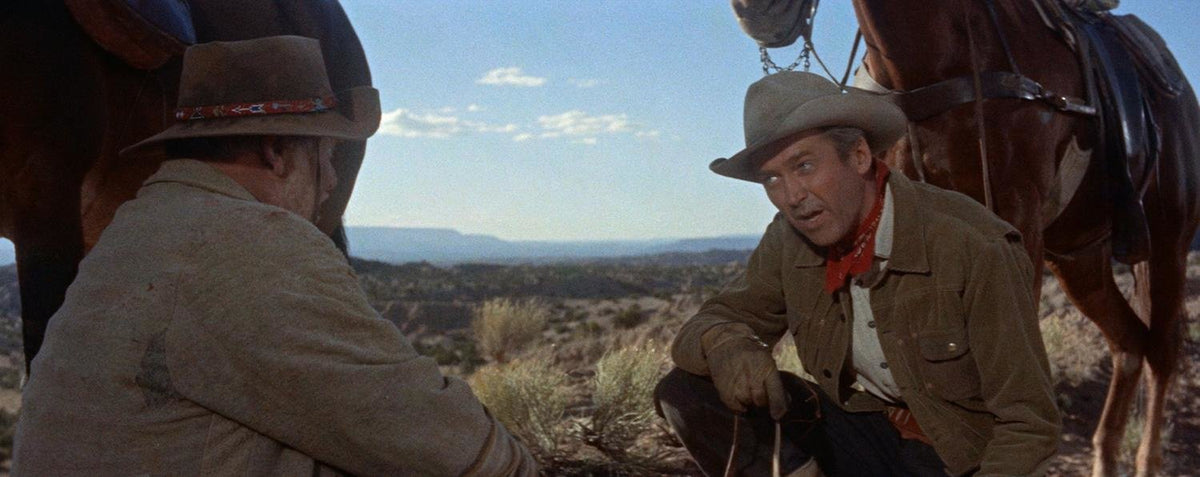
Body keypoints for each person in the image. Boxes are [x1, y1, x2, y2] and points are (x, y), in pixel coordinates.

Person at [13, 36, 536, 476]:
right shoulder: (250, 241)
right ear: (276, 150)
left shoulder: (139, 229)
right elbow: (455, 449)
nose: (331, 181)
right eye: (328, 155)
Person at [655, 71, 1060, 476]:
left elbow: (1028, 424)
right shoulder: (790, 237)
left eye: (804, 165)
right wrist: (726, 342)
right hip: (866, 433)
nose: (792, 196)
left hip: (955, 458)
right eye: (772, 178)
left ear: (860, 156)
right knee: (686, 391)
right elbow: (708, 324)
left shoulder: (972, 244)